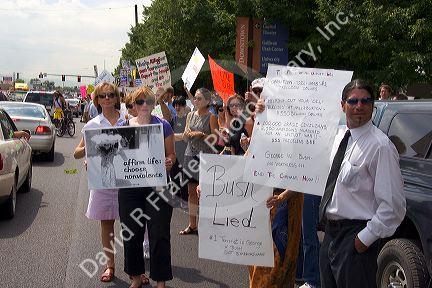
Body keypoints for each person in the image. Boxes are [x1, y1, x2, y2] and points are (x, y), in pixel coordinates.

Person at [318, 79, 406, 288]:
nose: (360, 106)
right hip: (329, 236)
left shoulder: (380, 146)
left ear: (373, 105)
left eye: (366, 101)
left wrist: (362, 240)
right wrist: (265, 113)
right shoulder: (338, 136)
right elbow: (297, 141)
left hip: (355, 240)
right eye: (353, 101)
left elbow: (393, 207)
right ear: (343, 105)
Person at [118, 86, 176, 288]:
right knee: (131, 232)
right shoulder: (124, 125)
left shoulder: (164, 126)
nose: (144, 105)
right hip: (130, 189)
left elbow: (172, 155)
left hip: (158, 187)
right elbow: (114, 155)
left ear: (153, 105)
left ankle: (161, 281)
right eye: (140, 101)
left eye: (148, 102)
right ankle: (135, 277)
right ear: (133, 104)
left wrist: (169, 161)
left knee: (159, 232)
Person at [73, 82, 125, 283]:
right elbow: (77, 153)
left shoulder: (128, 120)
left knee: (131, 225)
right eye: (102, 96)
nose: (107, 99)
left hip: (126, 182)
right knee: (107, 224)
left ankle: (135, 268)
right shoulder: (92, 125)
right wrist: (91, 152)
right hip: (103, 181)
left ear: (116, 97)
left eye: (110, 95)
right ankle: (110, 265)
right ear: (97, 100)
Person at [180, 88, 219, 235]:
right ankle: (192, 224)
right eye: (195, 98)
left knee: (205, 193)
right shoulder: (190, 115)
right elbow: (185, 136)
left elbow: (216, 140)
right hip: (190, 156)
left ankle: (208, 225)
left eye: (199, 98)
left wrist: (202, 135)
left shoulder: (211, 117)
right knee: (191, 193)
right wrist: (187, 134)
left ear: (207, 101)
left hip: (205, 158)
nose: (195, 101)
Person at [249, 189, 303, 288]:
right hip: (259, 200)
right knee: (255, 258)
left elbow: (303, 177)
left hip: (284, 206)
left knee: (275, 262)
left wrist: (282, 196)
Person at [171, 96, 189, 204]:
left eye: (180, 105)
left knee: (184, 178)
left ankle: (185, 200)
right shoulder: (173, 119)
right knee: (174, 177)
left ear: (184, 106)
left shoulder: (188, 119)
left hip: (186, 153)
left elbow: (187, 137)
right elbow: (170, 136)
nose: (177, 107)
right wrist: (181, 136)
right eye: (176, 105)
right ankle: (176, 200)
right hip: (174, 152)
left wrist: (180, 136)